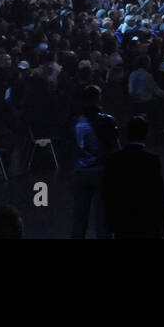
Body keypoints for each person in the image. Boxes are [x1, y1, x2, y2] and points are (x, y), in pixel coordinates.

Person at [103, 116, 164, 239]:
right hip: (148, 220)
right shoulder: (152, 160)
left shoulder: (114, 159)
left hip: (123, 220)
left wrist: (109, 221)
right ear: (146, 134)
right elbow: (158, 193)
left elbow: (109, 192)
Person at [71, 85, 120, 239]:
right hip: (101, 171)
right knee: (103, 214)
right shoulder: (107, 120)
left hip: (80, 171)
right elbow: (115, 146)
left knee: (79, 214)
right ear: (97, 98)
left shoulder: (74, 121)